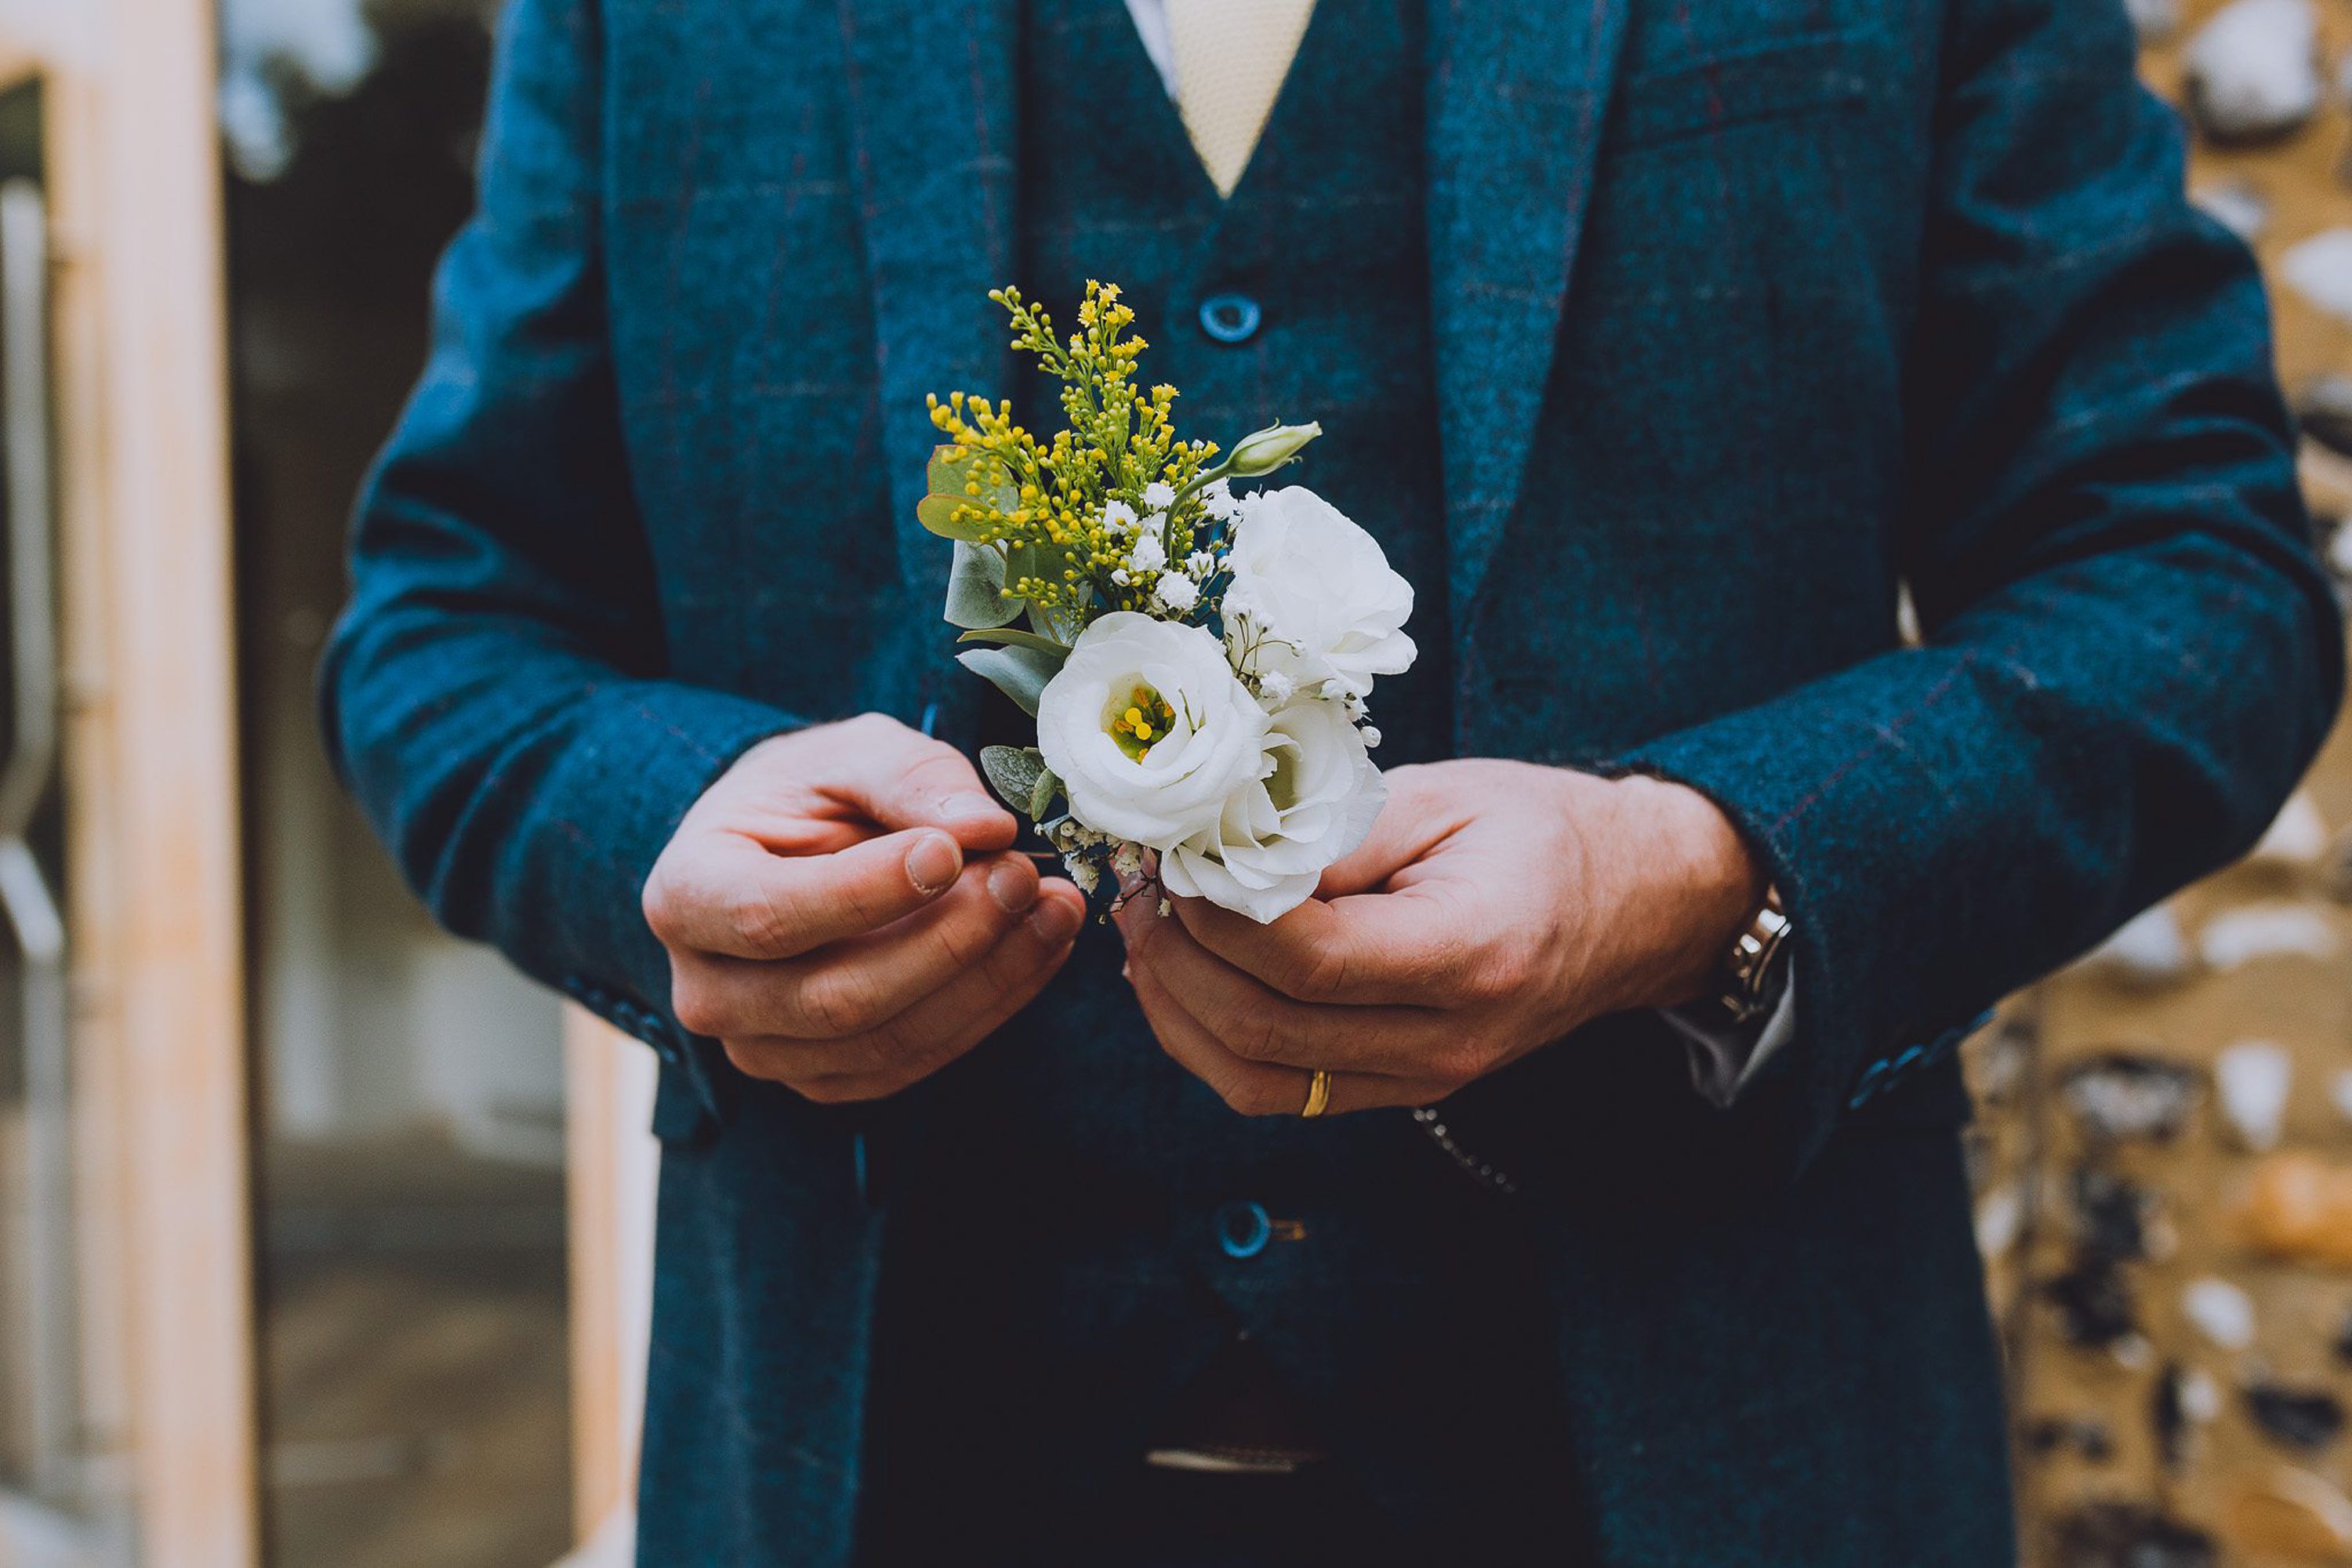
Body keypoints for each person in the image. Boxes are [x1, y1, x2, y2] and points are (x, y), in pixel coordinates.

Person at [322, 0, 2344, 1561]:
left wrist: (1697, 872)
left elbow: (2192, 572)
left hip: (1708, 1450)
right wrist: (661, 829)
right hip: (876, 1464)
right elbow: (447, 623)